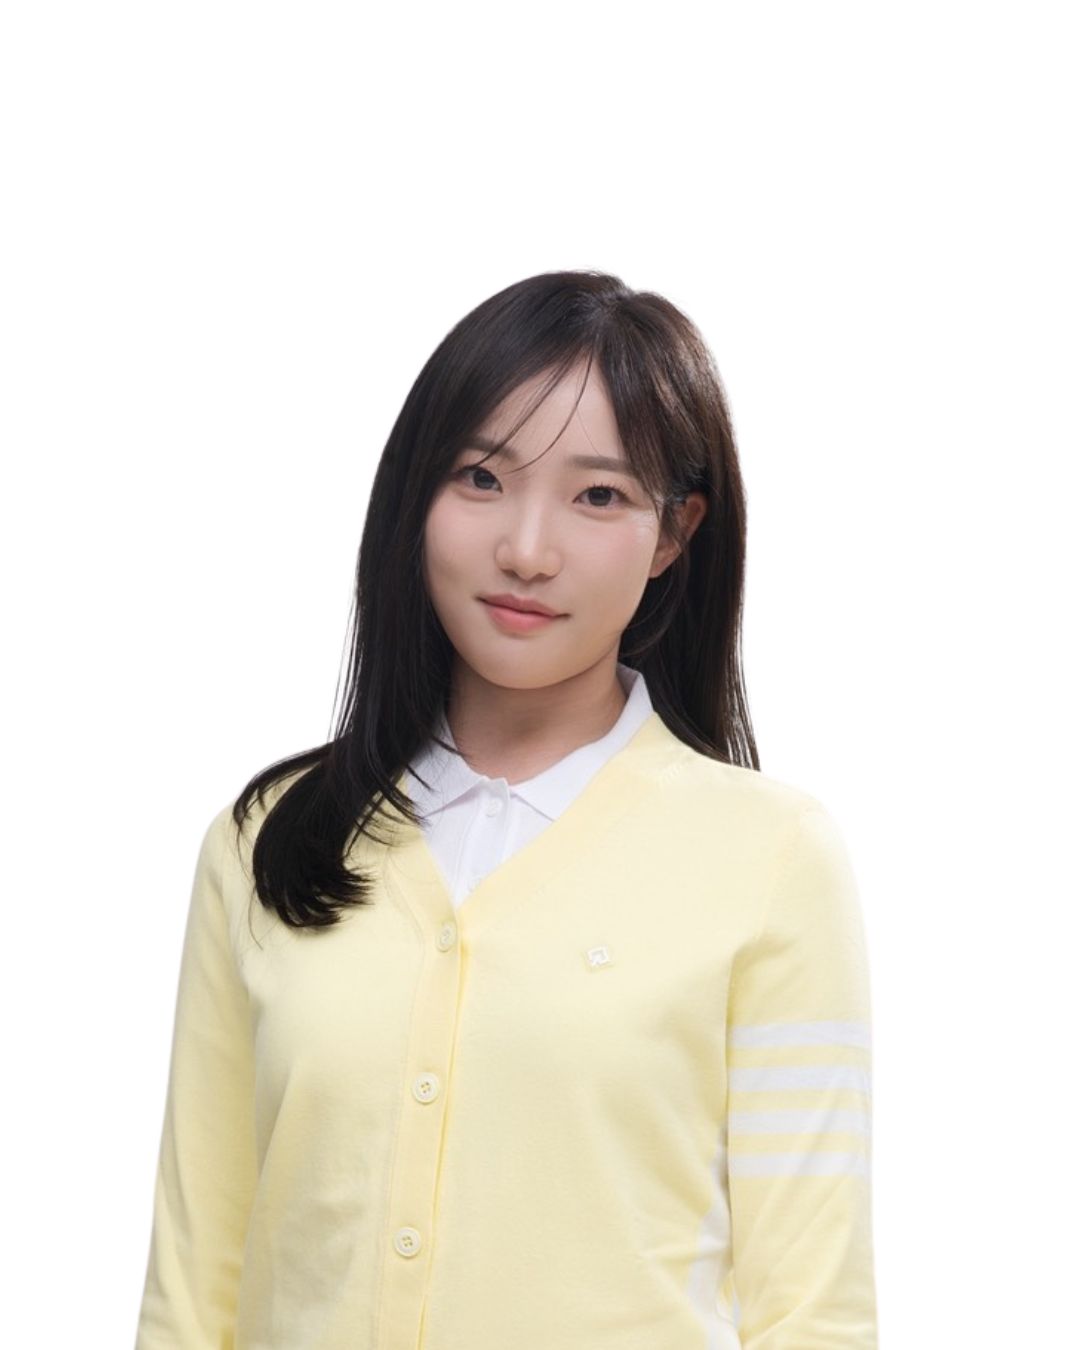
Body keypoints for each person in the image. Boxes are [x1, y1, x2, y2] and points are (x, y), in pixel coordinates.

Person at [134, 269, 878, 1349]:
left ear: (674, 534)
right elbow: (193, 1290)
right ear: (416, 493)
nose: (527, 550)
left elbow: (812, 1311)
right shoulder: (267, 841)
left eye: (598, 496)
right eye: (481, 477)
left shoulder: (771, 859)